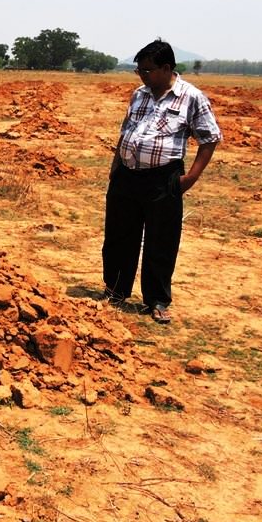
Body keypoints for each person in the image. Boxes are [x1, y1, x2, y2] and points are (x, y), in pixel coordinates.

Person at [102, 39, 222, 324]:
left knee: (161, 240)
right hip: (127, 176)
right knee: (119, 236)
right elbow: (125, 131)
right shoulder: (139, 95)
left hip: (163, 178)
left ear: (166, 68)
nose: (142, 76)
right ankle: (116, 291)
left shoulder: (191, 97)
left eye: (147, 70)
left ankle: (156, 300)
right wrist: (116, 166)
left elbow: (209, 138)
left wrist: (190, 177)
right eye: (139, 71)